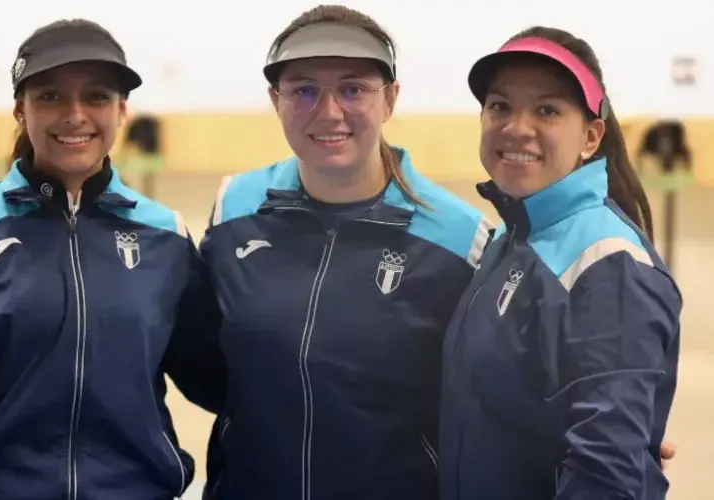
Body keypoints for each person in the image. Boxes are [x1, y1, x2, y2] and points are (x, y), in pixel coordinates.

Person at [0, 19, 221, 500]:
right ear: (20, 110)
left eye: (96, 97)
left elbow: (219, 382)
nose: (75, 115)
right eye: (49, 96)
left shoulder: (164, 236)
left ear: (121, 110)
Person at [197, 5, 495, 499]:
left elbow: (499, 390)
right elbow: (200, 358)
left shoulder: (461, 237)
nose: (329, 112)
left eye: (353, 89)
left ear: (390, 99)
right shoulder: (234, 208)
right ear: (277, 100)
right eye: (304, 90)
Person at [438, 26, 682, 500]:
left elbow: (607, 472)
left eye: (547, 110)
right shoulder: (510, 239)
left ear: (591, 137)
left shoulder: (609, 264)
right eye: (500, 106)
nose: (517, 127)